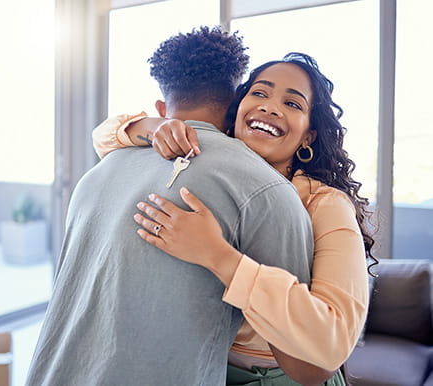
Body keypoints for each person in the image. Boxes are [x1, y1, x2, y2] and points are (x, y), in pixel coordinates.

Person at [26, 27, 320, 386]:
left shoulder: (97, 174)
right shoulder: (266, 191)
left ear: (163, 106)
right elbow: (308, 364)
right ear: (236, 101)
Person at [93, 52, 376, 385]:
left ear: (308, 136)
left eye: (293, 104)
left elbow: (333, 341)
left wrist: (217, 255)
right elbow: (103, 136)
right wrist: (154, 127)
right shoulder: (213, 172)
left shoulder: (325, 204)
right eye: (259, 93)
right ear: (236, 111)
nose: (271, 107)